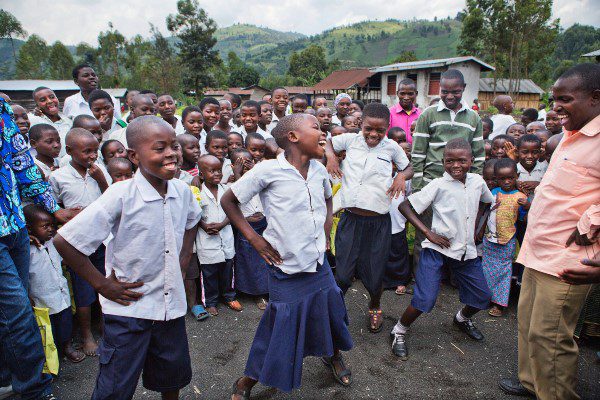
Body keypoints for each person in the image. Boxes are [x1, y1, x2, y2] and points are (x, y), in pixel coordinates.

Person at [53, 115, 202, 400]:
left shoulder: (182, 191)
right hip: (129, 310)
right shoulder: (121, 195)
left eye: (174, 146)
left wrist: (184, 258)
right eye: (159, 148)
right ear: (134, 155)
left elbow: (193, 220)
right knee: (116, 385)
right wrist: (102, 284)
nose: (171, 153)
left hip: (170, 306)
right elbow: (65, 241)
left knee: (172, 375)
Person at [221, 113, 354, 399]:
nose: (323, 133)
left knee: (330, 313)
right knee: (280, 327)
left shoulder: (319, 171)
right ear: (293, 137)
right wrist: (254, 238)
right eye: (316, 128)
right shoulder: (267, 171)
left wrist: (327, 229)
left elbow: (328, 199)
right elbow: (228, 200)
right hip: (286, 267)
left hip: (318, 263)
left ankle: (332, 356)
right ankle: (249, 379)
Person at [499, 63, 600, 400]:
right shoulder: (571, 136)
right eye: (553, 99)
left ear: (596, 98)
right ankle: (533, 384)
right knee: (529, 326)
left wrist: (592, 220)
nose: (555, 108)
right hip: (538, 251)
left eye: (565, 99)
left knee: (552, 337)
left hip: (567, 259)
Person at [0, 98, 77, 400]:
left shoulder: (2, 109)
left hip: (15, 226)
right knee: (17, 314)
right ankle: (35, 391)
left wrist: (50, 209)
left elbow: (22, 164)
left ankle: (7, 376)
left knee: (11, 313)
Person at [390, 138, 494, 360]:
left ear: (472, 161)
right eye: (450, 161)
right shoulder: (438, 184)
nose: (456, 165)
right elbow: (404, 206)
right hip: (437, 249)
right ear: (443, 161)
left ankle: (462, 318)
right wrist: (428, 233)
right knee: (425, 299)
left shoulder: (477, 181)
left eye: (461, 161)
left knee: (483, 296)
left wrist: (479, 229)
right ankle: (398, 330)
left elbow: (487, 202)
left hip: (465, 251)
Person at [325, 102, 412, 332]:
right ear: (361, 124)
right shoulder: (350, 140)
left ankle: (375, 306)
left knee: (374, 276)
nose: (373, 134)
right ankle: (333, 310)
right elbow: (327, 142)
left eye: (379, 130)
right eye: (368, 129)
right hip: (351, 219)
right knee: (343, 275)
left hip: (378, 223)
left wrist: (401, 176)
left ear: (387, 128)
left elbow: (408, 167)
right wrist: (331, 158)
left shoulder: (392, 148)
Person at [411, 69, 485, 270]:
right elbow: (418, 154)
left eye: (456, 91)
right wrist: (419, 186)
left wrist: (472, 187)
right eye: (444, 91)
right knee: (425, 235)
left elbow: (478, 156)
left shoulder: (473, 119)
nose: (450, 96)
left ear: (464, 89)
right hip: (431, 185)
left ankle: (451, 277)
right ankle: (422, 279)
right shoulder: (428, 115)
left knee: (458, 234)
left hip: (460, 189)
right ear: (439, 89)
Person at [50, 128, 110, 356]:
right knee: (83, 290)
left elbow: (110, 197)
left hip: (101, 239)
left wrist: (101, 179)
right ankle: (86, 335)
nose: (92, 156)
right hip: (76, 244)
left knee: (104, 284)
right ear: (70, 151)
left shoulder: (98, 171)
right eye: (86, 151)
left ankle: (106, 327)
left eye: (95, 150)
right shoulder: (58, 177)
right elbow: (53, 208)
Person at [25, 204, 85, 364]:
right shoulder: (26, 251)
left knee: (65, 323)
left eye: (52, 224)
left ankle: (66, 346)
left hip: (61, 294)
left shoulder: (54, 243)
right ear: (29, 229)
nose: (50, 229)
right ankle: (50, 357)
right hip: (42, 299)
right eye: (45, 226)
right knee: (47, 330)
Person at [481, 159, 528, 317]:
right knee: (487, 270)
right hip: (489, 239)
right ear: (496, 178)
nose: (507, 181)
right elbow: (484, 211)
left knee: (503, 271)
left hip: (507, 240)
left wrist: (526, 206)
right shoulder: (493, 193)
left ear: (516, 176)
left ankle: (499, 304)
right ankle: (486, 298)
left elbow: (523, 219)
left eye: (510, 178)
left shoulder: (520, 196)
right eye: (502, 178)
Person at [195, 154, 240, 316]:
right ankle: (211, 301)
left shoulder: (227, 190)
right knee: (209, 273)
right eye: (211, 171)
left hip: (226, 236)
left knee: (228, 269)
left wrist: (223, 224)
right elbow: (193, 214)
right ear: (201, 174)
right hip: (207, 239)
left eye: (219, 170)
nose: (217, 174)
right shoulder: (197, 193)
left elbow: (235, 210)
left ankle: (229, 296)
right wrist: (204, 225)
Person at [229, 148, 269, 309]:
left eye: (248, 161)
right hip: (246, 224)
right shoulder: (232, 182)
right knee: (250, 261)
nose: (244, 165)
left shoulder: (260, 178)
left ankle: (267, 290)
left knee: (265, 259)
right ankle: (257, 294)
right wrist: (238, 174)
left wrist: (254, 171)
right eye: (240, 163)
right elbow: (239, 195)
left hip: (264, 223)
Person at [28, 87, 73, 157]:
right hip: (45, 166)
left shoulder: (68, 121)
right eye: (43, 100)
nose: (49, 101)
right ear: (37, 105)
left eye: (52, 97)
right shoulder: (34, 120)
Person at [389, 78, 421, 143]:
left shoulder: (421, 114)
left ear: (416, 94)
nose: (406, 97)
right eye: (402, 93)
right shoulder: (389, 113)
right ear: (397, 93)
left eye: (410, 94)